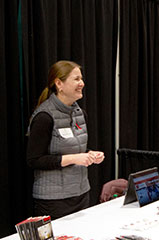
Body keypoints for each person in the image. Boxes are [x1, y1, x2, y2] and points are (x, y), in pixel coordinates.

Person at [26, 60, 105, 219]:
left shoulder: (80, 113)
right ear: (59, 84)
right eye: (76, 79)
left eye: (81, 79)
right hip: (53, 200)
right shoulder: (44, 117)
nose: (81, 83)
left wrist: (90, 154)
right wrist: (74, 158)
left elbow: (75, 149)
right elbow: (34, 160)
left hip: (81, 194)